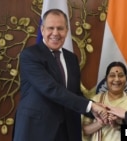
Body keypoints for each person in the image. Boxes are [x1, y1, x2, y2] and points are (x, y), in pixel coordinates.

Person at [12, 9, 108, 141]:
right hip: (36, 131)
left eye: (60, 28)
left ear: (67, 31)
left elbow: (74, 93)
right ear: (42, 30)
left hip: (67, 130)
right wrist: (91, 106)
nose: (55, 33)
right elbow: (50, 88)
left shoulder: (72, 59)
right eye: (50, 28)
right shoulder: (30, 56)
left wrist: (97, 111)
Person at [82, 61, 127, 141]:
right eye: (112, 76)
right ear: (106, 78)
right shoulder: (95, 101)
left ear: (126, 78)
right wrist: (100, 123)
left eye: (121, 75)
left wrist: (120, 124)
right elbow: (84, 131)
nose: (117, 79)